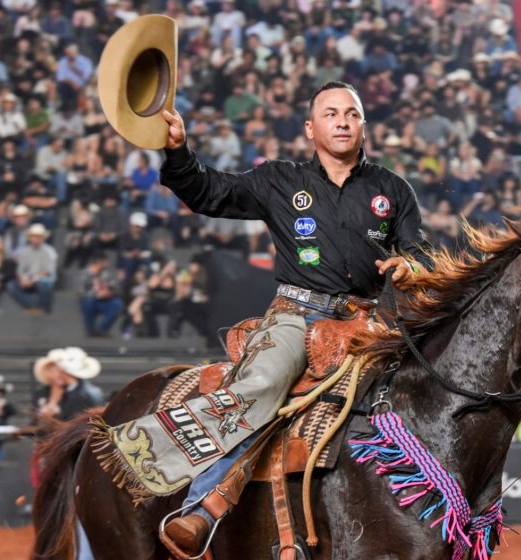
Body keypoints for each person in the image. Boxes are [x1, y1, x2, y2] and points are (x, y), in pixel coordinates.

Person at [158, 81, 429, 554]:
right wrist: (180, 152)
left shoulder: (392, 189)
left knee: (426, 388)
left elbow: (418, 249)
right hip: (295, 317)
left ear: (363, 124)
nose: (342, 121)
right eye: (331, 114)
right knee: (262, 384)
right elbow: (209, 193)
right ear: (310, 128)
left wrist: (411, 265)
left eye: (351, 113)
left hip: (370, 322)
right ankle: (204, 508)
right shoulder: (278, 180)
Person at [34, 347, 105, 421]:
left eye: (55, 369)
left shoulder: (84, 395)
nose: (52, 374)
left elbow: (75, 424)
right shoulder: (46, 391)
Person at [7, 223, 57, 314]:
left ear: (43, 238)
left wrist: (32, 280)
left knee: (42, 284)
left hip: (44, 280)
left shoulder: (49, 251)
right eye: (33, 236)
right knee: (11, 285)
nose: (35, 239)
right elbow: (20, 270)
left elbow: (47, 271)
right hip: (28, 279)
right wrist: (22, 279)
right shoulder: (25, 251)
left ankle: (44, 309)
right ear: (30, 238)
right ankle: (33, 307)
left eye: (38, 236)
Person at [79, 253, 123, 337]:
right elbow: (81, 292)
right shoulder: (84, 274)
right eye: (105, 262)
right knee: (88, 301)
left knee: (117, 303)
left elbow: (115, 287)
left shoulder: (105, 274)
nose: (107, 264)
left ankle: (101, 330)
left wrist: (109, 292)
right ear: (99, 262)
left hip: (104, 301)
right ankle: (90, 330)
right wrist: (97, 294)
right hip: (91, 301)